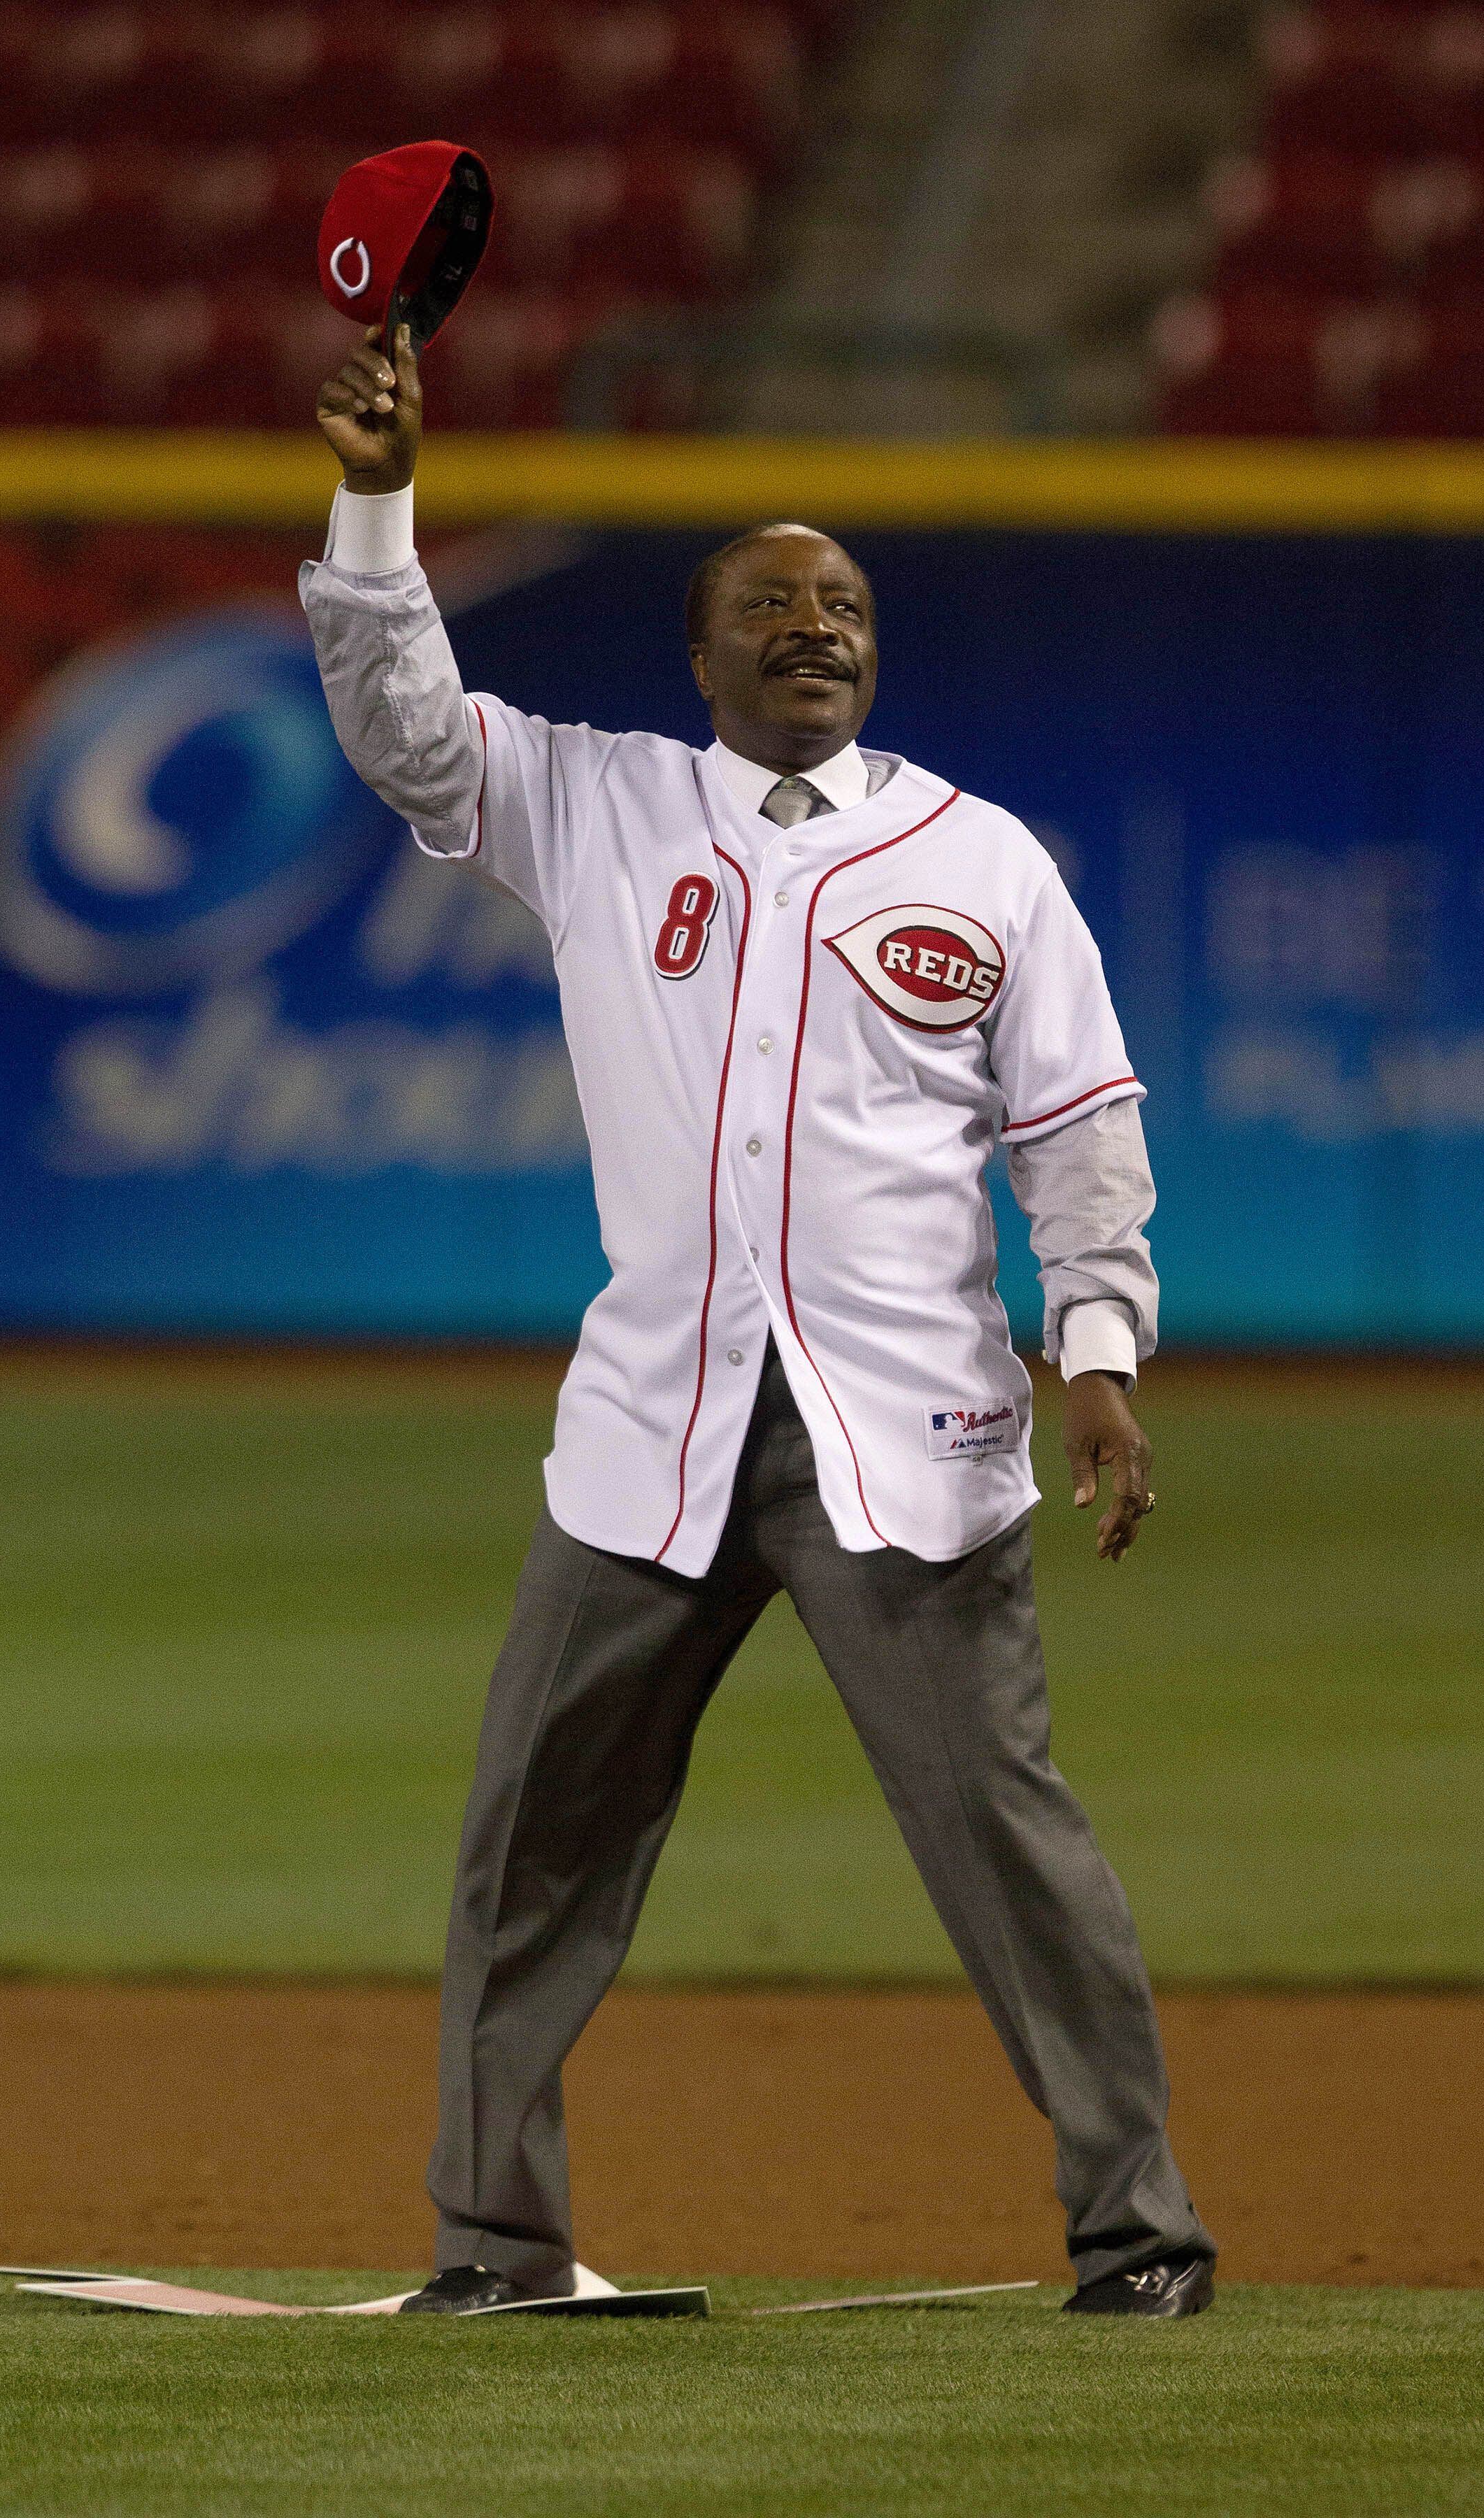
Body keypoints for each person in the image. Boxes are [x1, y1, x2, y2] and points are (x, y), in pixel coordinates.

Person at [301, 324, 1217, 2318]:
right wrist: (376, 503)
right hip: (655, 1428)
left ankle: (1138, 2235)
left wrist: (1105, 1357)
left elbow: (1080, 1131)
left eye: (845, 605)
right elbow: (399, 724)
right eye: (770, 606)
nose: (815, 627)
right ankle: (495, 2247)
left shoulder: (981, 860)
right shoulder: (598, 805)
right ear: (699, 657)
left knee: (1007, 1850)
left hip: (911, 1439)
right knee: (529, 1844)